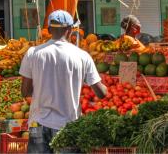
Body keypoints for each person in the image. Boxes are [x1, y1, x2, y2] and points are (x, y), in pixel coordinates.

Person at [20, 10, 107, 153]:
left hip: (38, 124)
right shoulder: (82, 56)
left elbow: (25, 92)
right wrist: (104, 87)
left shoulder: (32, 53)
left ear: (48, 29)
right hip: (68, 126)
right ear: (70, 30)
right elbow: (101, 93)